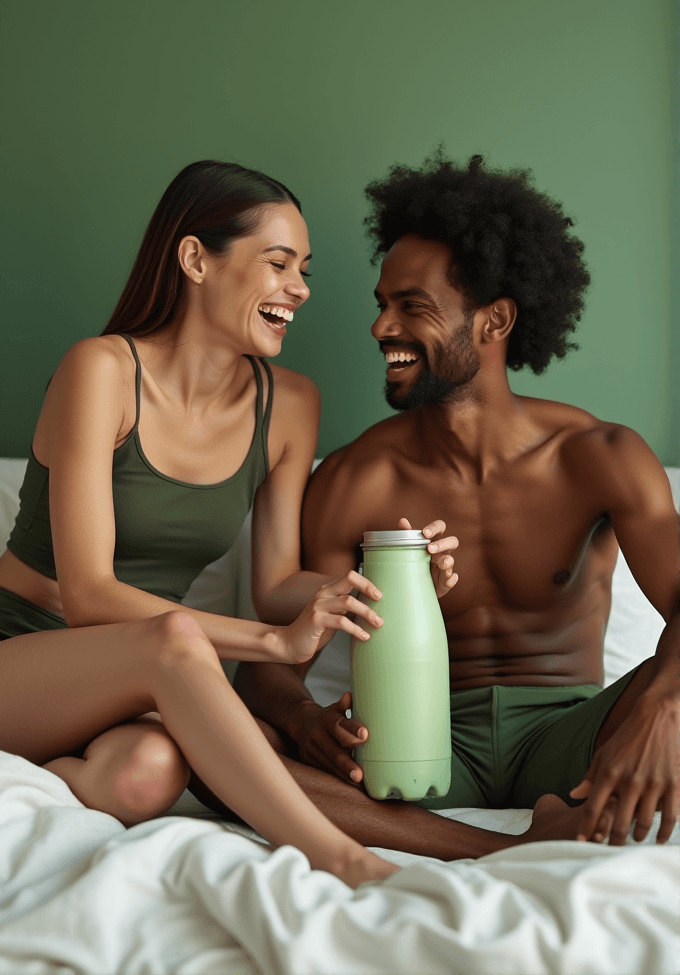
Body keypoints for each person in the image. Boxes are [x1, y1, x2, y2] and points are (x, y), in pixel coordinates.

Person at [0, 158, 462, 886]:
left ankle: (34, 774)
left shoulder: (290, 406)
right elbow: (87, 594)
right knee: (177, 637)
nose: (300, 289)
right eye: (278, 264)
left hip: (129, 684)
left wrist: (382, 583)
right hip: (20, 649)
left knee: (147, 776)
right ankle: (343, 860)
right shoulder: (101, 371)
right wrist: (273, 641)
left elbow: (277, 583)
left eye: (303, 269)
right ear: (194, 259)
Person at [235, 151, 680, 860]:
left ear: (494, 321)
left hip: (575, 734)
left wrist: (664, 709)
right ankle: (478, 846)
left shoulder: (600, 455)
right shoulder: (356, 476)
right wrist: (303, 717)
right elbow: (267, 656)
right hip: (417, 744)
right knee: (227, 745)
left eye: (411, 307)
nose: (382, 328)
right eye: (381, 304)